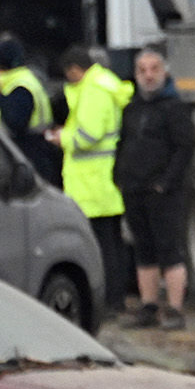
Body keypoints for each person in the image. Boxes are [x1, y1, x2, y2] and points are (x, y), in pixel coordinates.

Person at [114, 45, 195, 329]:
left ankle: (175, 310)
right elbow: (123, 142)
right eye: (142, 71)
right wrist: (119, 176)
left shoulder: (174, 108)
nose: (148, 76)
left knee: (169, 249)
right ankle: (148, 306)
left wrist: (166, 183)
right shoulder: (132, 108)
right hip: (134, 188)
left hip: (164, 193)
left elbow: (186, 148)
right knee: (143, 249)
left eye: (154, 70)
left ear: (165, 72)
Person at [58, 47, 134, 317]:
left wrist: (61, 138)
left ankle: (111, 301)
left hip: (93, 183)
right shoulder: (103, 85)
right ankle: (115, 298)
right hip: (102, 181)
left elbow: (88, 135)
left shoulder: (93, 91)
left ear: (74, 70)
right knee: (111, 243)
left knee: (103, 246)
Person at [0, 38, 61, 186]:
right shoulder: (26, 79)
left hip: (26, 155)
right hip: (37, 152)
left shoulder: (19, 86)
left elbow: (16, 122)